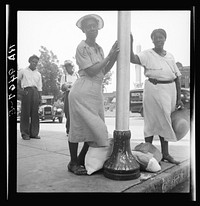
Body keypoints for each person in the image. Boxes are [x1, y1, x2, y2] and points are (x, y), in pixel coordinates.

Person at [67, 14, 119, 175]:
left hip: (96, 92)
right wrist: (110, 56)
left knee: (95, 130)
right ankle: (73, 163)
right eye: (88, 26)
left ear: (98, 28)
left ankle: (80, 159)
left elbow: (103, 70)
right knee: (77, 128)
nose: (91, 28)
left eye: (93, 25)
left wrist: (114, 56)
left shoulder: (99, 48)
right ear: (83, 30)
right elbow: (91, 70)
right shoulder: (81, 47)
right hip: (82, 91)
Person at [130, 29, 184, 164]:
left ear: (165, 39)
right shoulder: (147, 54)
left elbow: (177, 77)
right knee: (152, 121)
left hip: (169, 90)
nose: (159, 40)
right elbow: (133, 59)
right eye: (156, 38)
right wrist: (130, 43)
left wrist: (178, 98)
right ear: (152, 40)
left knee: (166, 121)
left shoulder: (170, 56)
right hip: (153, 89)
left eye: (161, 37)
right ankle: (148, 154)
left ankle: (165, 154)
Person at [17, 55, 42, 140]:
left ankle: (34, 133)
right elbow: (16, 81)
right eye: (33, 61)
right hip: (26, 91)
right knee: (25, 113)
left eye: (36, 62)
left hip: (35, 92)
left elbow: (39, 87)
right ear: (29, 61)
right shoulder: (23, 71)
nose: (35, 63)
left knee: (35, 113)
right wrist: (21, 91)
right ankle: (25, 133)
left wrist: (40, 98)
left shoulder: (38, 74)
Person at [60, 60, 78, 135]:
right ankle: (69, 130)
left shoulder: (77, 75)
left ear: (72, 67)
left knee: (76, 112)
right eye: (66, 67)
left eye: (69, 66)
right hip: (68, 94)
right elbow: (62, 87)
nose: (67, 68)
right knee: (68, 112)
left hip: (77, 94)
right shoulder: (64, 76)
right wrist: (66, 86)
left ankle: (76, 130)